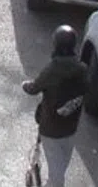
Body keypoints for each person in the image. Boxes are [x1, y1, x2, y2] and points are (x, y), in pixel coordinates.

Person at [22, 23, 87, 184]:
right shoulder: (83, 69)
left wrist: (25, 85)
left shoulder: (51, 70)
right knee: (61, 166)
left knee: (56, 175)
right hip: (71, 127)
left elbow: (34, 88)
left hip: (51, 129)